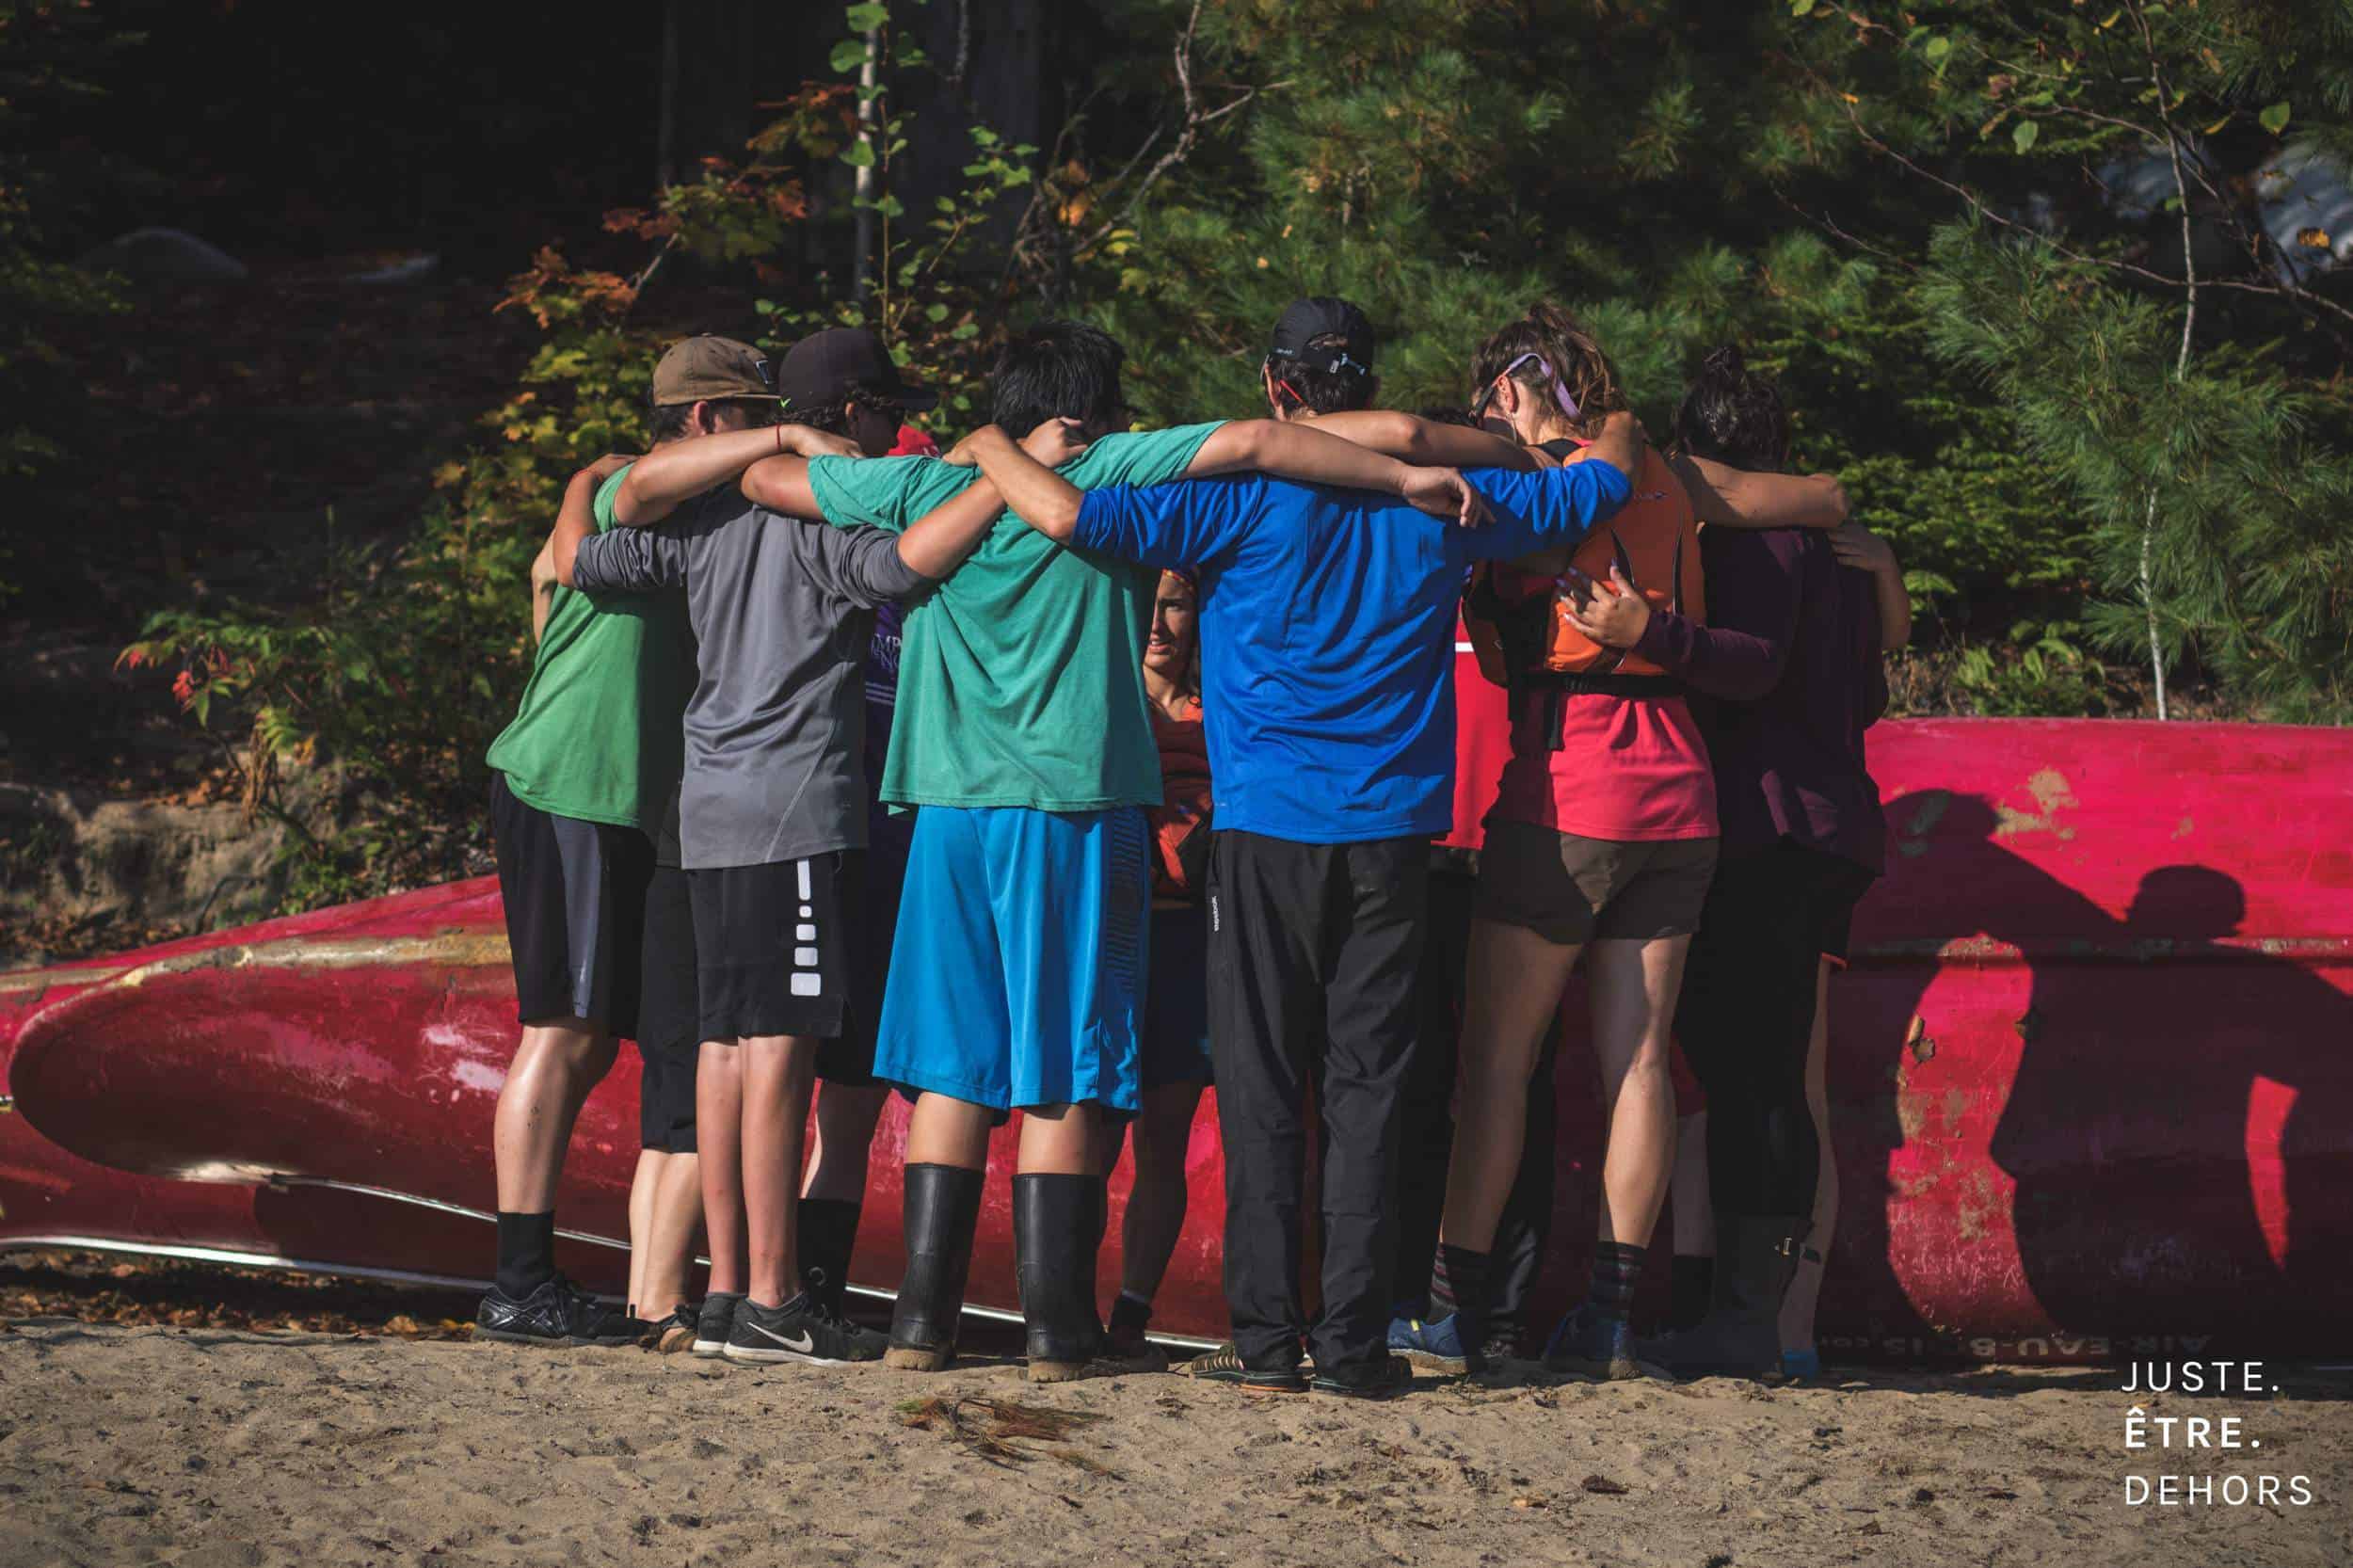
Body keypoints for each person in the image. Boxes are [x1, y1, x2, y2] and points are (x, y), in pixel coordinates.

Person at [755, 321, 1489, 1383]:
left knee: (952, 1067)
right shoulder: (1110, 469)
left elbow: (771, 483)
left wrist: (885, 443)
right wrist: (1407, 474)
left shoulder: (922, 487)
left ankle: (921, 1322)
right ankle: (1057, 1329)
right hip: (1075, 797)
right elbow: (1258, 441)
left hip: (945, 804)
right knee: (1067, 1064)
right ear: (1089, 411)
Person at [963, 405, 1642, 1398]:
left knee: (1263, 1086)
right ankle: (1356, 1347)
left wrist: (989, 442)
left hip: (1264, 827)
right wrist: (1617, 423)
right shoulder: (1449, 503)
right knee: (1370, 1089)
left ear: (1283, 394)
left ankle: (1269, 1342)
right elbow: (1598, 488)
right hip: (1392, 834)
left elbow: (1066, 515)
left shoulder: (1234, 495)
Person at [1399, 305, 1849, 1383]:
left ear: (1514, 388)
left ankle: (1449, 1310)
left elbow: (1497, 648)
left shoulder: (1536, 481)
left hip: (1571, 787)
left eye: (1491, 398)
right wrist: (1858, 541)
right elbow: (1811, 498)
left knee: (1496, 1062)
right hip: (1682, 795)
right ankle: (1607, 1321)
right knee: (1640, 1062)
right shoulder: (1670, 474)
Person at [548, 329, 1011, 1367]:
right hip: (792, 808)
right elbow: (908, 564)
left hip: (707, 811)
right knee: (778, 1054)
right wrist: (1002, 477)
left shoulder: (704, 512)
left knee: (722, 1049)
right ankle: (770, 1295)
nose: (892, 430)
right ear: (847, 414)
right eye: (885, 412)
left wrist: (581, 482)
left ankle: (724, 1296)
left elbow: (581, 560)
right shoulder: (816, 518)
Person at [1554, 345, 1896, 1380]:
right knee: (1770, 1076)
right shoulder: (1840, 555)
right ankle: (1755, 1318)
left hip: (1764, 829)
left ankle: (1746, 1322)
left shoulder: (1754, 546)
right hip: (1829, 826)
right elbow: (1869, 693)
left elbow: (1751, 668)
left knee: (1751, 1077)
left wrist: (1653, 634)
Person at [473, 350, 711, 1343]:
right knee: (563, 1032)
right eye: (753, 413)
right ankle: (518, 1282)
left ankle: (544, 1279)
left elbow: (543, 580)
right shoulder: (634, 489)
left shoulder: (628, 494)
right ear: (709, 417)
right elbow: (564, 560)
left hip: (604, 795)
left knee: (591, 1036)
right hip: (574, 785)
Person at [1096, 568, 1213, 1366]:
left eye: (1176, 603)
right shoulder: (1104, 699)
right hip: (1113, 945)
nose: (1159, 622)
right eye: (1150, 601)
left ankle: (1131, 1317)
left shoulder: (1222, 708)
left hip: (1191, 947)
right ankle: (1065, 1302)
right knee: (1093, 1133)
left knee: (1163, 1141)